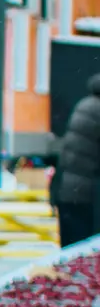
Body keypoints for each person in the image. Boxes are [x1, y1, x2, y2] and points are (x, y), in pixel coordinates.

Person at [53, 75, 100, 247]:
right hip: (86, 198)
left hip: (68, 192)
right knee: (84, 256)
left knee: (72, 255)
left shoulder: (86, 104)